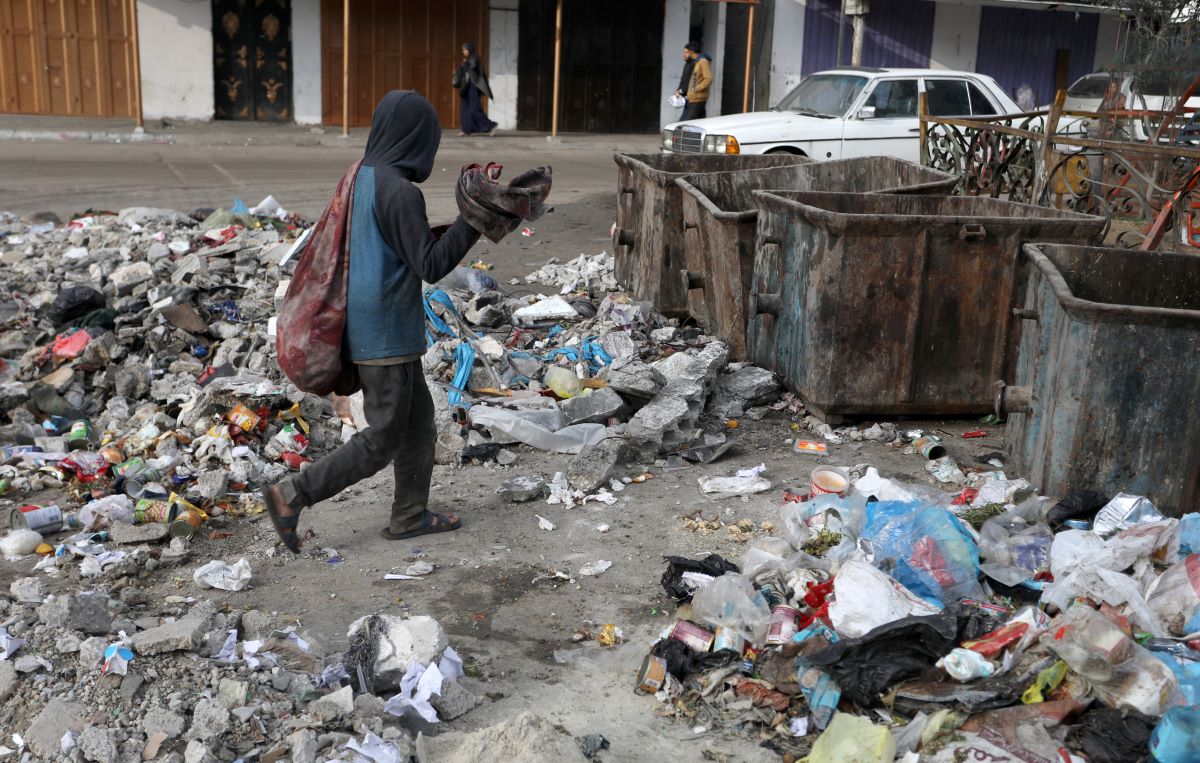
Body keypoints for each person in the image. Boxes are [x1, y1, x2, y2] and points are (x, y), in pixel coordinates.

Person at [264, 91, 481, 552]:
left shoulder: (361, 175)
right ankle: (291, 494)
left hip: (365, 324)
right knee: (382, 438)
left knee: (419, 423)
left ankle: (408, 516)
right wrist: (475, 219)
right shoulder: (400, 192)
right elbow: (429, 263)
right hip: (385, 336)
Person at [455, 42, 497, 136]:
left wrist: (464, 65)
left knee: (475, 108)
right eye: (463, 49)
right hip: (466, 86)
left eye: (465, 49)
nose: (464, 51)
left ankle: (491, 126)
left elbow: (472, 70)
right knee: (465, 108)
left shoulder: (474, 58)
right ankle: (466, 130)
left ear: (470, 49)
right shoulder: (468, 59)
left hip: (473, 86)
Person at [681, 42, 713, 121]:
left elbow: (708, 78)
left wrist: (695, 89)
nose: (684, 54)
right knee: (699, 123)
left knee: (685, 124)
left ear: (691, 52)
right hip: (693, 97)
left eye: (686, 52)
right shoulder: (696, 62)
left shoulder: (703, 61)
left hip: (697, 98)